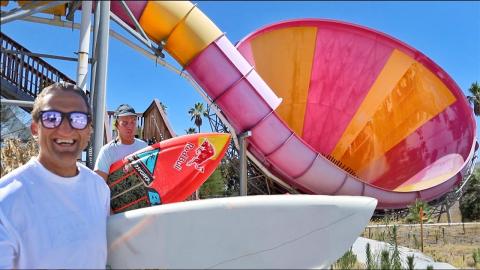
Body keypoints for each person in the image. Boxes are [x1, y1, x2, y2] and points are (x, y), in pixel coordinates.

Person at [0, 82, 110, 269]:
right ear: (35, 129)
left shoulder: (99, 190)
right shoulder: (6, 202)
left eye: (78, 118)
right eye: (52, 118)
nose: (66, 129)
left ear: (89, 130)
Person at [94, 104, 147, 181]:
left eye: (133, 122)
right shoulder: (107, 151)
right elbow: (99, 183)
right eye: (125, 123)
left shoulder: (144, 147)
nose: (130, 127)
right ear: (116, 125)